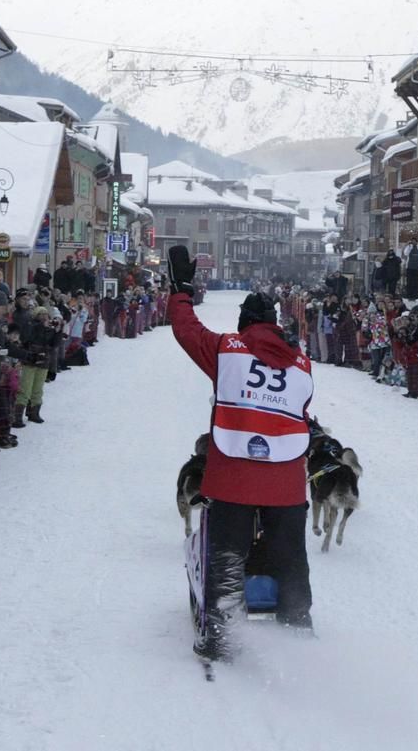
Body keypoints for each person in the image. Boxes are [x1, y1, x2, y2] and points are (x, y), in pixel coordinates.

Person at [166, 245, 315, 663]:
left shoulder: (226, 350)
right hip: (286, 479)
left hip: (233, 474)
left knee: (227, 557)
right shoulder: (302, 364)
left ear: (244, 324)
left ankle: (220, 637)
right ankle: (297, 626)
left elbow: (184, 328)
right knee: (290, 557)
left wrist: (180, 290)